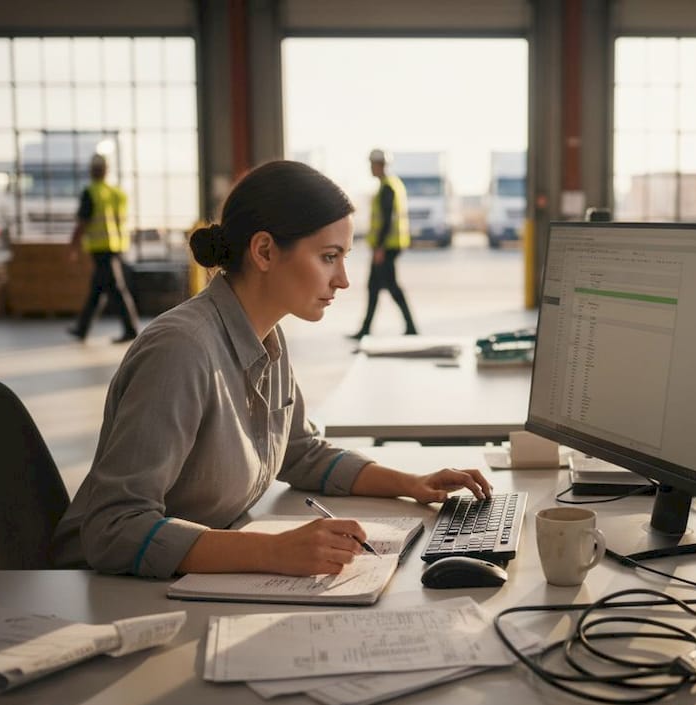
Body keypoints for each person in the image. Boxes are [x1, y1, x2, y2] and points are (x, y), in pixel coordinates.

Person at [51, 160, 490, 578]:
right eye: (328, 257)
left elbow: (301, 453)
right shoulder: (180, 350)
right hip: (99, 591)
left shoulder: (266, 338)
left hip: (181, 580)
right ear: (264, 251)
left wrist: (413, 484)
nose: (343, 280)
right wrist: (273, 551)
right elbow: (115, 530)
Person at [67, 153, 141, 343]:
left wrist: (73, 246)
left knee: (116, 288)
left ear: (92, 171)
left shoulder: (91, 192)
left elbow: (83, 222)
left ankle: (131, 329)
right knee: (98, 289)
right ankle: (82, 329)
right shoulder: (116, 193)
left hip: (102, 249)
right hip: (117, 246)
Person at [350, 148, 419, 340]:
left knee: (391, 287)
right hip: (387, 245)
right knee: (374, 286)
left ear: (380, 165)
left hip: (387, 246)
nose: (370, 168)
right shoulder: (389, 185)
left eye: (372, 164)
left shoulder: (388, 187)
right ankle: (366, 329)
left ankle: (411, 327)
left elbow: (387, 219)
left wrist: (379, 247)